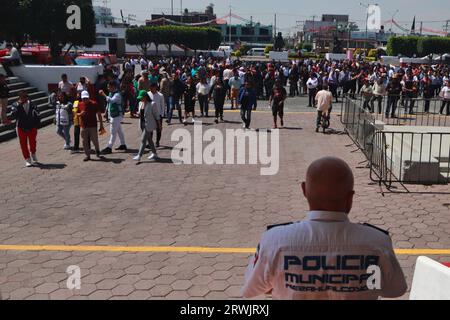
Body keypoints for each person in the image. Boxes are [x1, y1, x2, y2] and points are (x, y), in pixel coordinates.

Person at [242, 157, 408, 300]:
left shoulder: (275, 240)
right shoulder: (377, 242)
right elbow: (396, 289)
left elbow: (251, 289)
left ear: (304, 190)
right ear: (350, 198)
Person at [10, 91, 40, 167]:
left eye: (26, 96)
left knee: (33, 142)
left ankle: (33, 153)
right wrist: (19, 106)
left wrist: (36, 124)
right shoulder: (15, 105)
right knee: (23, 144)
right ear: (19, 98)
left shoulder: (32, 104)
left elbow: (37, 113)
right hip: (21, 127)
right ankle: (27, 159)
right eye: (23, 97)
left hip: (32, 127)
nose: (25, 98)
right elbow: (14, 115)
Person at [100, 81, 127, 154]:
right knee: (119, 130)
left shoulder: (117, 95)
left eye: (109, 87)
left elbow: (111, 101)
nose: (108, 88)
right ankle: (123, 144)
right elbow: (108, 104)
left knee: (113, 132)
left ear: (114, 87)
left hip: (117, 115)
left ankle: (109, 147)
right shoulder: (111, 93)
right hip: (113, 115)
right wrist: (106, 112)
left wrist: (104, 95)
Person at [133, 91, 161, 162]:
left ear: (145, 97)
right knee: (149, 140)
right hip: (142, 124)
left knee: (143, 140)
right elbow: (141, 113)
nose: (140, 99)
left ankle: (139, 155)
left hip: (149, 125)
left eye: (141, 97)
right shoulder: (141, 103)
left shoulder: (152, 104)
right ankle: (155, 153)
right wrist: (138, 114)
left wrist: (159, 125)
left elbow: (156, 115)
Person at [77, 91, 104, 162]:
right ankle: (87, 155)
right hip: (84, 126)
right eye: (83, 98)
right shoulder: (79, 104)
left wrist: (101, 124)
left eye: (86, 98)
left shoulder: (94, 104)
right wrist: (80, 114)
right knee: (84, 141)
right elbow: (75, 114)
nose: (85, 100)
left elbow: (99, 114)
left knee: (94, 139)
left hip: (93, 125)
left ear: (88, 97)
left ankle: (97, 150)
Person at [148, 82, 165, 148]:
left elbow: (162, 105)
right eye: (150, 88)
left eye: (152, 87)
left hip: (158, 114)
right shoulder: (148, 94)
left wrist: (162, 114)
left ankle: (157, 141)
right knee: (150, 129)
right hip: (150, 114)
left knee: (159, 129)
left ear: (155, 87)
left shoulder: (160, 95)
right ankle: (150, 142)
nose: (151, 89)